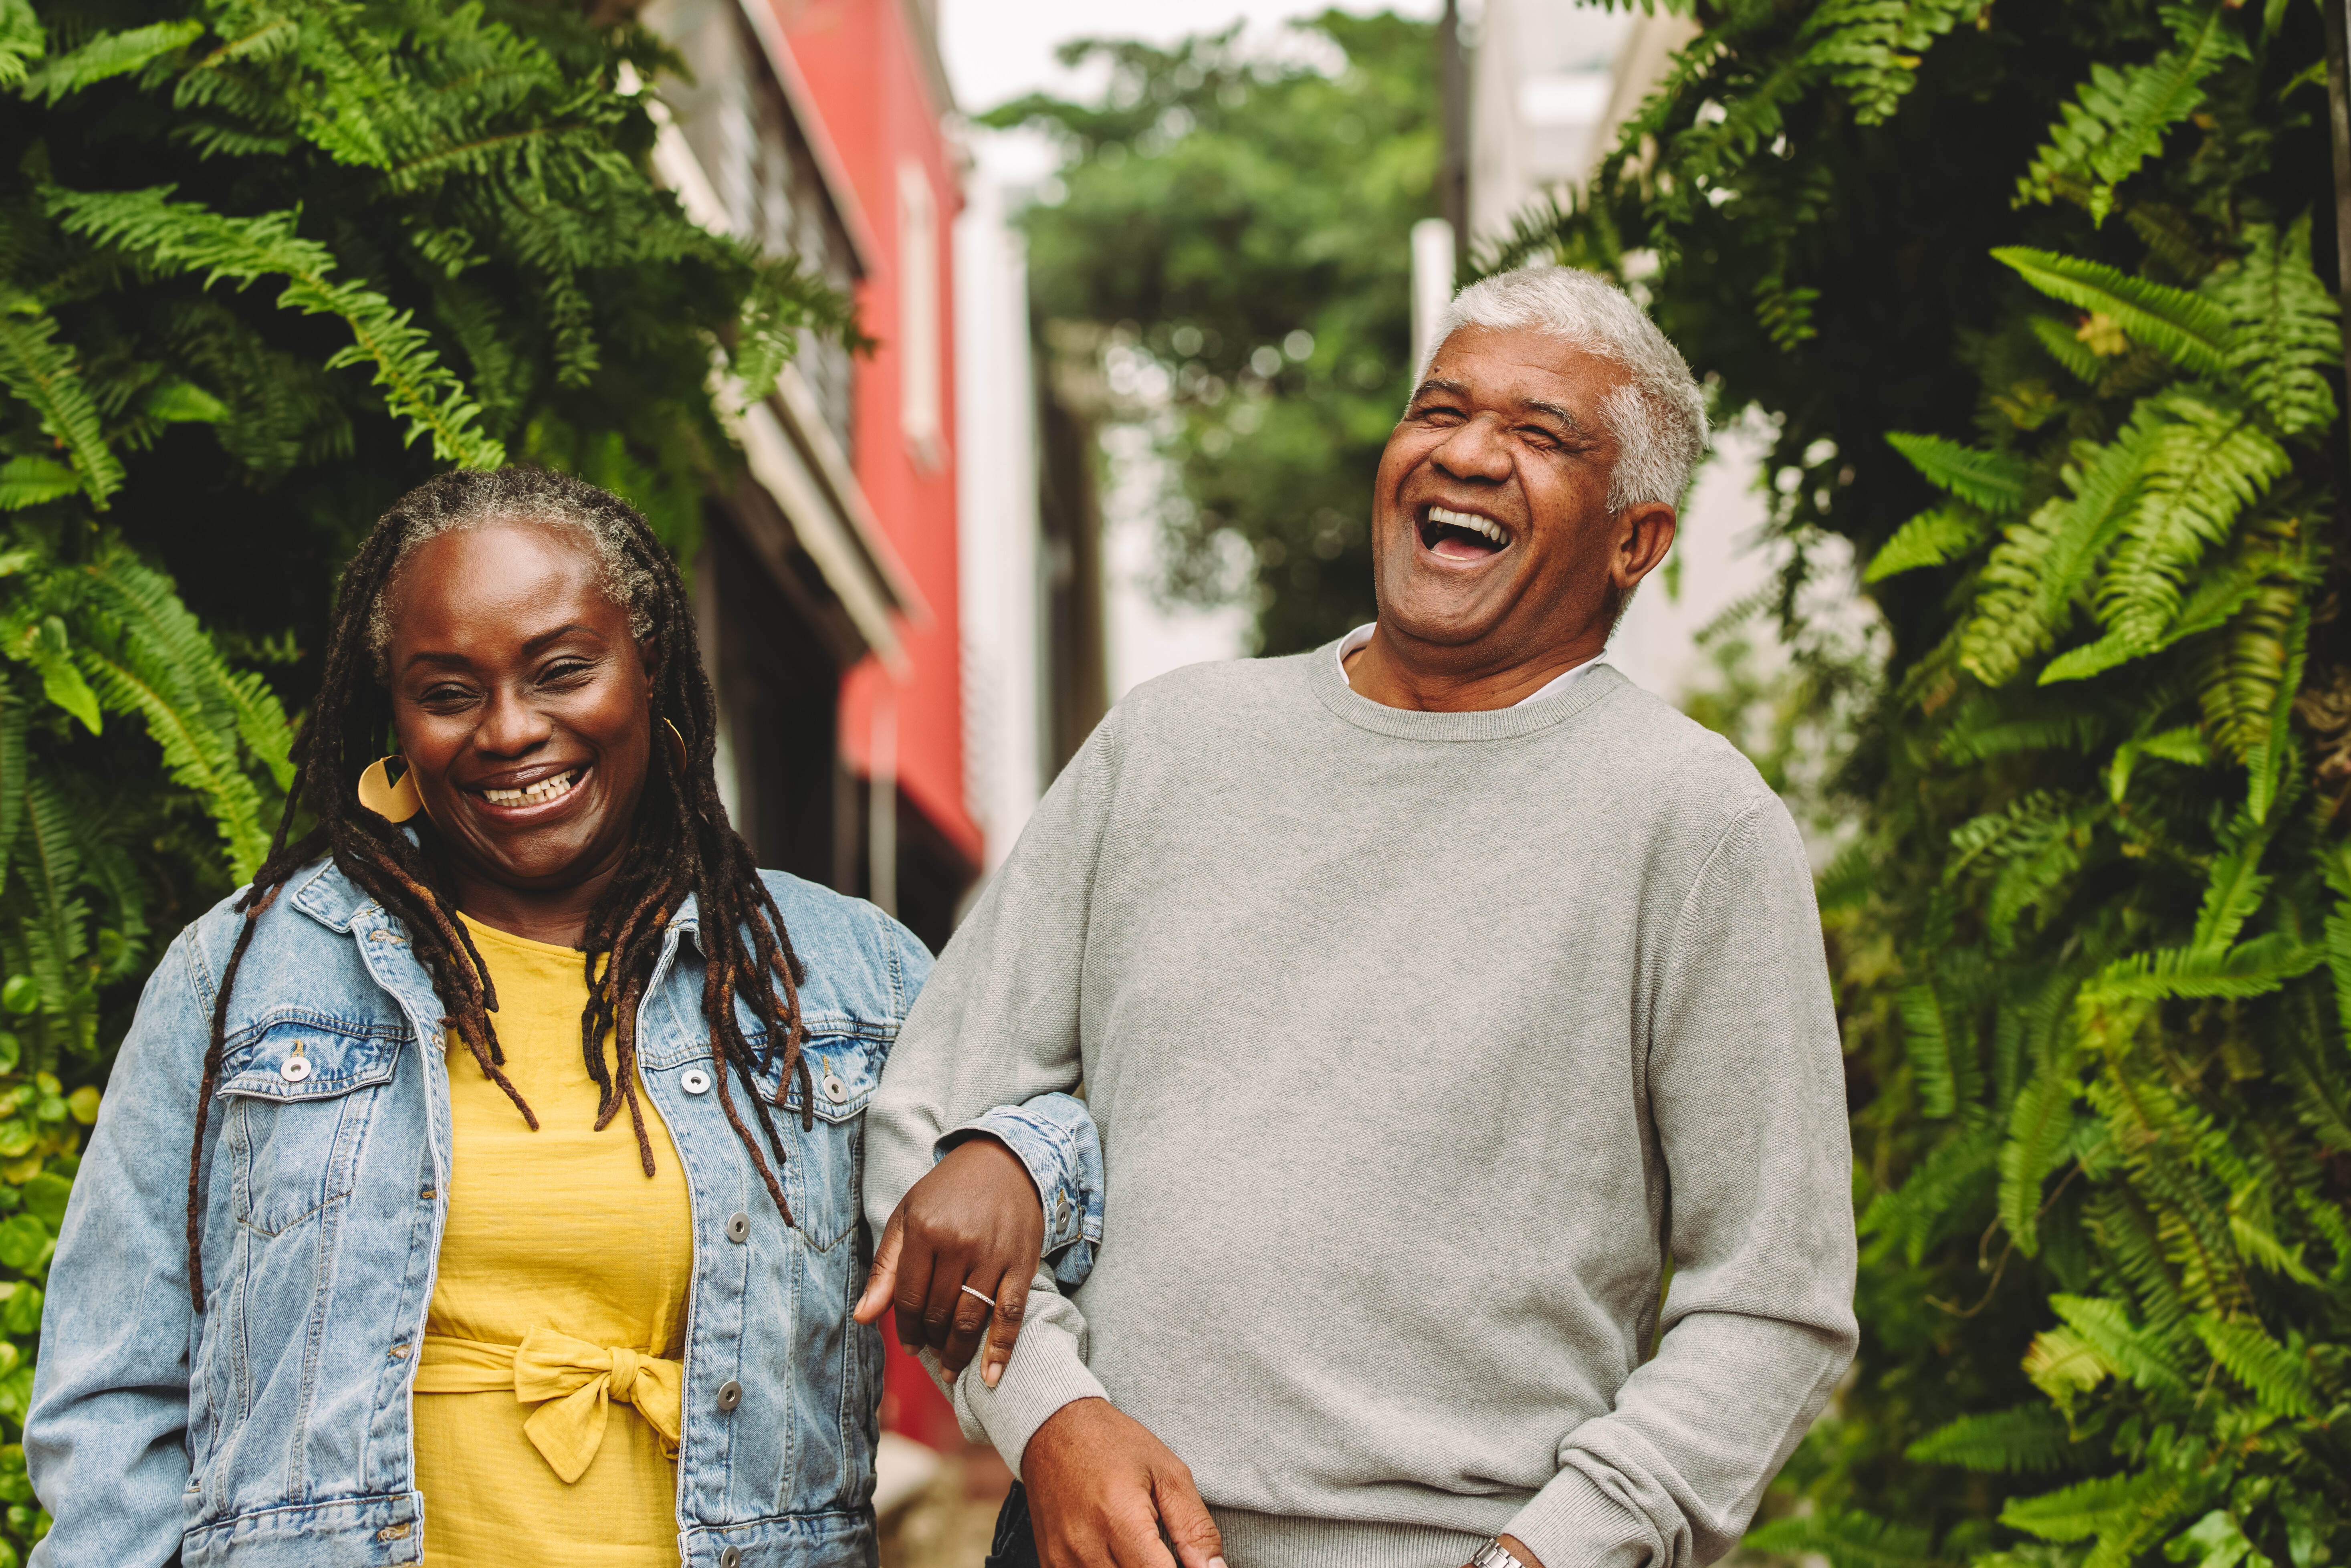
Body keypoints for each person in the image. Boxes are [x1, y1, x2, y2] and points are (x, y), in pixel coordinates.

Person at [865, 264, 1860, 1568]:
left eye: (1539, 434)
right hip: (1092, 1536)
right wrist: (1052, 1420)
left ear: (1636, 540)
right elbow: (928, 1116)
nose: (1467, 451)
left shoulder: (1696, 825)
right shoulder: (1168, 748)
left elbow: (1773, 1301)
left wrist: (1556, 1552)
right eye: (1439, 409)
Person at [25, 469, 1102, 1568]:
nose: (509, 729)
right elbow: (112, 1394)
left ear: (650, 676)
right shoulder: (249, 972)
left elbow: (1084, 1165)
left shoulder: (835, 978)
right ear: (390, 718)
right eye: (448, 691)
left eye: (562, 672)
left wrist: (1012, 1156)